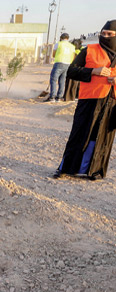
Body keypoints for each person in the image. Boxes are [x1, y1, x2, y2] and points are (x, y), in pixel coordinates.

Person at [53, 20, 116, 180]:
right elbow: (71, 71)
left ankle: (93, 171)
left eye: (110, 34)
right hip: (89, 100)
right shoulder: (89, 50)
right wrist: (94, 71)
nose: (105, 36)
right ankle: (66, 169)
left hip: (111, 101)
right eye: (103, 33)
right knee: (79, 133)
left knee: (102, 136)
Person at [45, 33, 76, 102]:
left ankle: (52, 97)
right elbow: (73, 57)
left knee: (53, 79)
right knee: (62, 81)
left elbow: (53, 54)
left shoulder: (59, 44)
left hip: (59, 63)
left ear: (61, 38)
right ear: (67, 38)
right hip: (67, 64)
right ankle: (59, 97)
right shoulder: (72, 46)